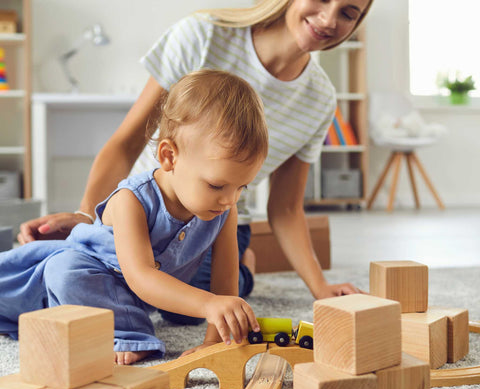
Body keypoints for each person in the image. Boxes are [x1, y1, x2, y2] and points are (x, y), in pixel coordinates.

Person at [18, 0, 373, 335]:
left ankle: (243, 264)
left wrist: (320, 288)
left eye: (348, 12)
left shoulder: (320, 98)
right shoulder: (202, 35)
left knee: (184, 308)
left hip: (213, 225)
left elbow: (285, 206)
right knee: (87, 274)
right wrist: (87, 221)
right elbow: (127, 143)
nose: (329, 20)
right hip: (141, 212)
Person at [0, 70, 267, 365]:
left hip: (144, 292)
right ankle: (129, 333)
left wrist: (214, 341)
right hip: (95, 275)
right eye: (217, 185)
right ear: (169, 156)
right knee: (63, 271)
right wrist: (209, 304)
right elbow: (140, 277)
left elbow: (224, 282)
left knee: (206, 305)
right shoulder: (132, 199)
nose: (230, 199)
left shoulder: (224, 209)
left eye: (242, 187)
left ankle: (246, 269)